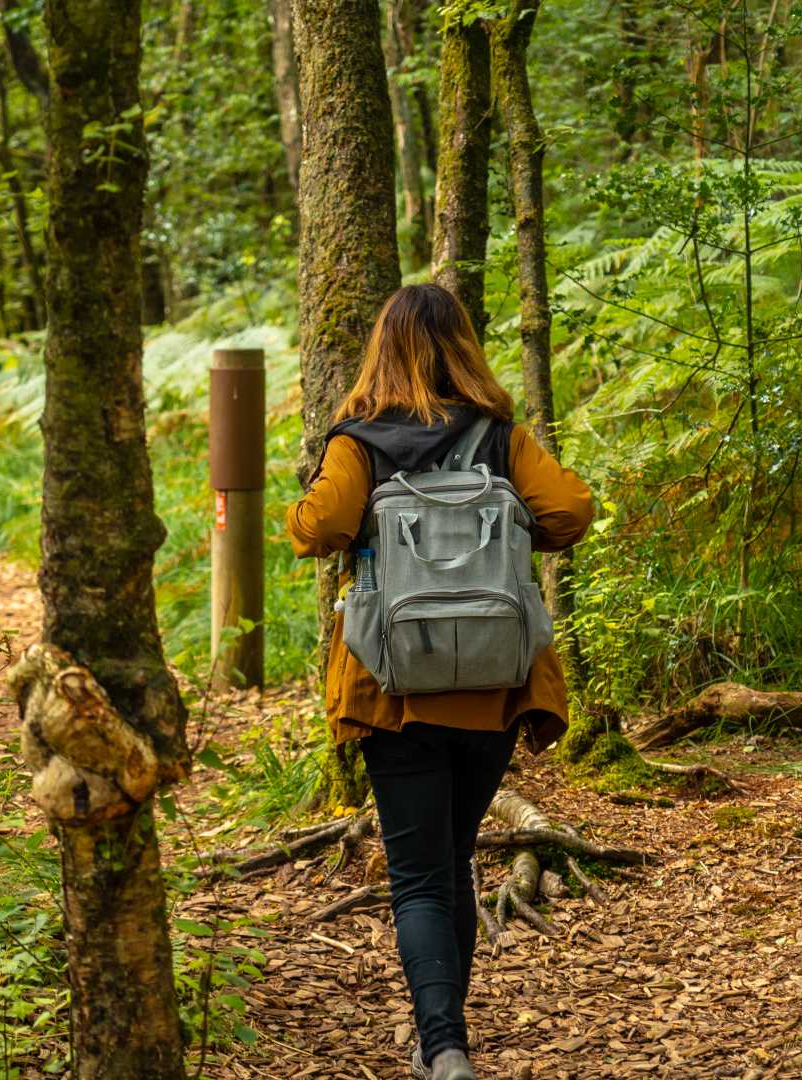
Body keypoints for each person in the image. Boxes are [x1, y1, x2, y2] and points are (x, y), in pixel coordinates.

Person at [286, 283, 593, 1080]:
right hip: (493, 682)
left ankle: (443, 1047)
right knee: (453, 862)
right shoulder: (499, 437)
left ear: (382, 351)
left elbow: (319, 528)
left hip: (394, 687)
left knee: (419, 876)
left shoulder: (360, 441)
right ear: (464, 348)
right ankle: (445, 1038)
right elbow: (568, 514)